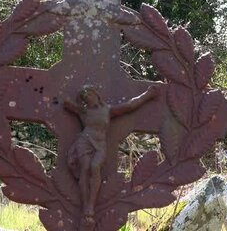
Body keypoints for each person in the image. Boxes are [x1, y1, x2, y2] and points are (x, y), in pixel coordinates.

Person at [64, 84, 159, 225]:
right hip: (84, 141)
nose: (87, 98)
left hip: (100, 144)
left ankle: (91, 203)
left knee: (95, 166)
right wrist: (76, 100)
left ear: (96, 94)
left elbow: (130, 106)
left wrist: (147, 95)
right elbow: (66, 103)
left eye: (89, 94)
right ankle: (87, 207)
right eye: (85, 97)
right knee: (85, 169)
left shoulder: (107, 110)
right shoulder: (83, 111)